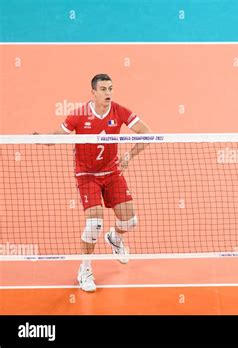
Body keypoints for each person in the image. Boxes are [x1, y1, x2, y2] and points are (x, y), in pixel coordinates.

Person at [34, 74, 152, 292]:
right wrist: (41, 139)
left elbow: (146, 132)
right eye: (104, 89)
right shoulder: (79, 115)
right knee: (93, 224)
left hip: (112, 173)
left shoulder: (119, 111)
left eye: (111, 88)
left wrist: (129, 156)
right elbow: (58, 136)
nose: (108, 93)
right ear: (94, 92)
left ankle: (115, 237)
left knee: (130, 220)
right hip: (87, 175)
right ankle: (85, 269)